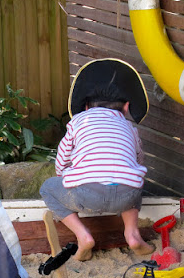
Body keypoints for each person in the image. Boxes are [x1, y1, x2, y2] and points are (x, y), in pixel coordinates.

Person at [40, 82, 154, 261]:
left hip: (88, 195)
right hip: (127, 196)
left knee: (47, 188)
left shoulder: (78, 121)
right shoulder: (130, 129)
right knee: (132, 177)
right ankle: (132, 235)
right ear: (126, 107)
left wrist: (68, 178)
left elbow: (61, 162)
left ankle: (83, 235)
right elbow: (139, 161)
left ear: (85, 107)